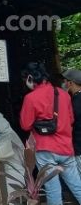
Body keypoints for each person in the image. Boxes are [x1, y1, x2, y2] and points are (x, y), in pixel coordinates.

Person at [20, 62, 81, 205]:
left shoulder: (31, 98)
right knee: (77, 186)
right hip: (66, 148)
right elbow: (71, 119)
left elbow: (25, 125)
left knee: (53, 190)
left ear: (29, 78)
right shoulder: (63, 94)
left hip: (45, 149)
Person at [0, 112, 25, 199]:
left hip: (13, 172)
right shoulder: (0, 134)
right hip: (2, 173)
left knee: (8, 196)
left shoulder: (7, 135)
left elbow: (1, 154)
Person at [62, 68, 81, 170]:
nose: (63, 84)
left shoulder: (75, 102)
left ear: (70, 83)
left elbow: (69, 122)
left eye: (64, 81)